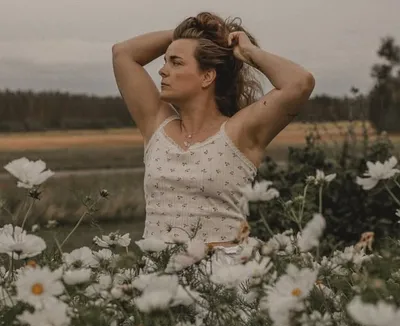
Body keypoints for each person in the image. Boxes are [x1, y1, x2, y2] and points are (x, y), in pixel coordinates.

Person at [112, 12, 315, 257]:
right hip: (158, 275)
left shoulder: (239, 132)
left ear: (207, 76)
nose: (162, 71)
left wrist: (247, 51)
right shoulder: (156, 125)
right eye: (165, 61)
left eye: (176, 62)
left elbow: (300, 83)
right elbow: (123, 54)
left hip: (222, 274)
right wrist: (196, 34)